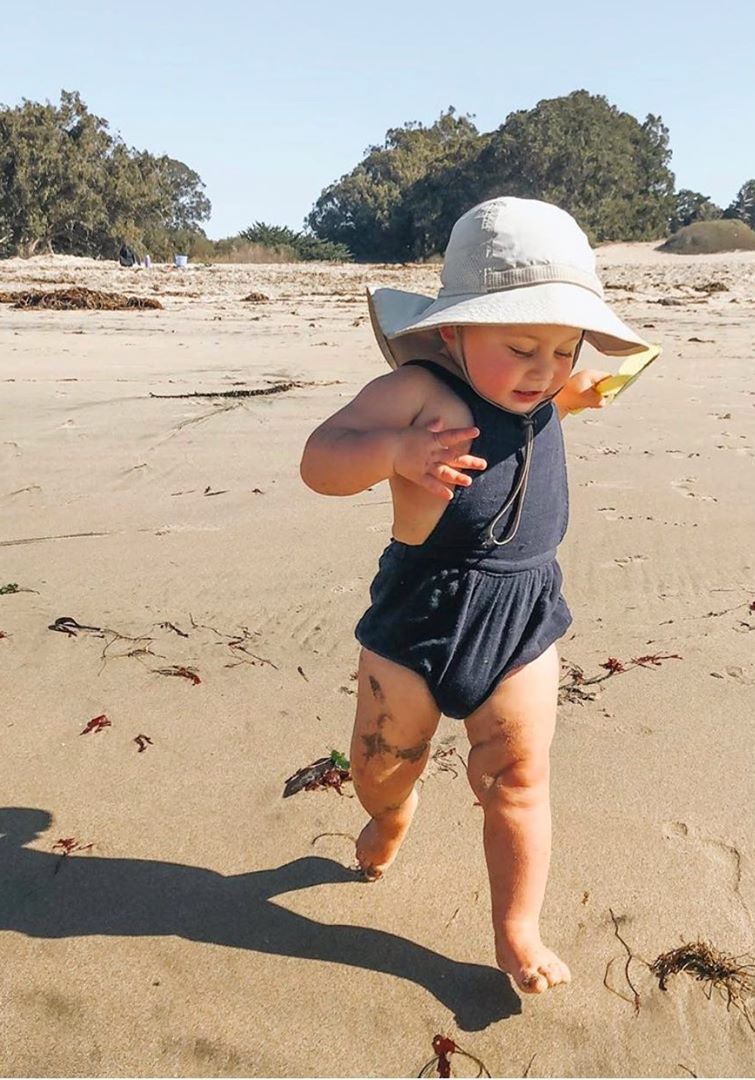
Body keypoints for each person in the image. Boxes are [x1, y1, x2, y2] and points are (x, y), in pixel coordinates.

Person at [299, 197, 656, 995]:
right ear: (455, 332)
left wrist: (574, 394)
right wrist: (394, 452)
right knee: (382, 766)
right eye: (522, 347)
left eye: (563, 349)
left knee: (517, 777)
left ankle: (517, 930)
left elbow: (544, 396)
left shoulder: (542, 391)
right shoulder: (418, 393)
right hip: (420, 614)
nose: (544, 370)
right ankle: (391, 814)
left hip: (523, 614)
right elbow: (320, 460)